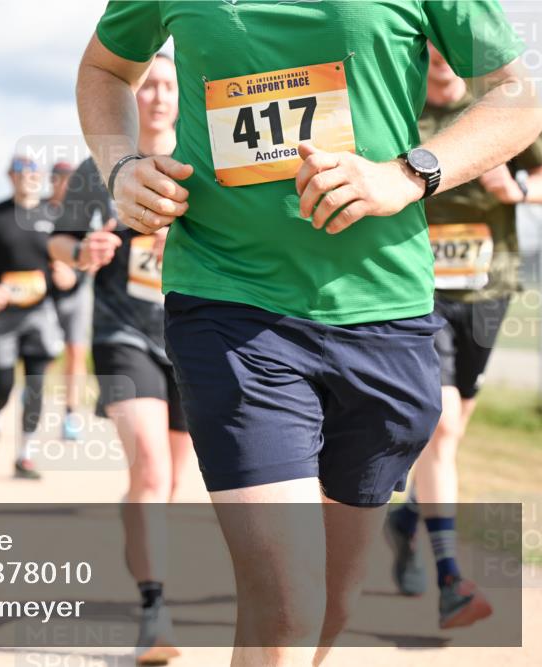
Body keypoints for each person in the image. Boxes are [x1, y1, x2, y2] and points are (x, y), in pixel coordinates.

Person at [77, 2, 541, 665]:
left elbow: (518, 96)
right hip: (229, 303)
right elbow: (104, 67)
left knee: (328, 607)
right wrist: (121, 165)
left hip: (384, 310)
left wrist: (406, 175)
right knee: (287, 604)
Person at [384, 44, 542, 630]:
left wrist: (518, 191)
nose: (442, 61)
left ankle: (407, 521)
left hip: (487, 291)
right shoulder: (396, 110)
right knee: (443, 423)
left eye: (450, 51)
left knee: (453, 429)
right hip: (416, 293)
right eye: (430, 52)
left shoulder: (497, 109)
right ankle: (451, 577)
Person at [50, 53, 191, 664]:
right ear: (131, 95)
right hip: (122, 332)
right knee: (153, 469)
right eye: (147, 85)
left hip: (193, 335)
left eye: (168, 85)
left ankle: (141, 540)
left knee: (169, 483)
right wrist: (86, 248)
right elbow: (58, 242)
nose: (158, 96)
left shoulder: (204, 158)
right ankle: (154, 608)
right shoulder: (102, 165)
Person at [0, 156, 67, 480]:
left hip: (40, 313)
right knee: (2, 384)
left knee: (35, 386)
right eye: (21, 172)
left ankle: (24, 454)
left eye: (33, 173)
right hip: (1, 315)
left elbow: (73, 261)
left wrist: (69, 276)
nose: (28, 177)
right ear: (10, 176)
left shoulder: (55, 215)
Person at [46, 160, 90, 441]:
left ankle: (71, 414)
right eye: (61, 179)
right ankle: (32, 397)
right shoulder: (39, 212)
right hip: (44, 295)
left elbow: (92, 254)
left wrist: (74, 273)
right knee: (45, 352)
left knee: (76, 352)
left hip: (78, 292)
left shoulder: (84, 213)